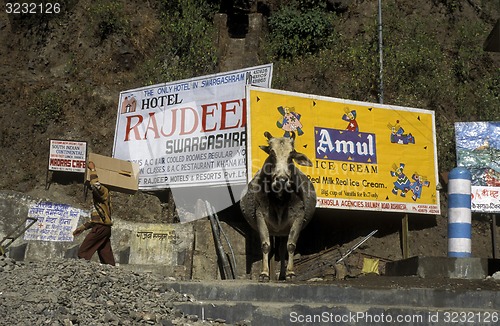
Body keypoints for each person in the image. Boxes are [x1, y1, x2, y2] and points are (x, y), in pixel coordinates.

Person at [73, 160, 116, 265]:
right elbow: (95, 220)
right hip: (104, 228)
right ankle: (112, 270)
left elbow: (95, 184)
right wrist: (81, 228)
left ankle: (83, 269)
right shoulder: (98, 199)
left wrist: (92, 169)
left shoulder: (103, 192)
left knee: (83, 252)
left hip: (100, 228)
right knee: (105, 254)